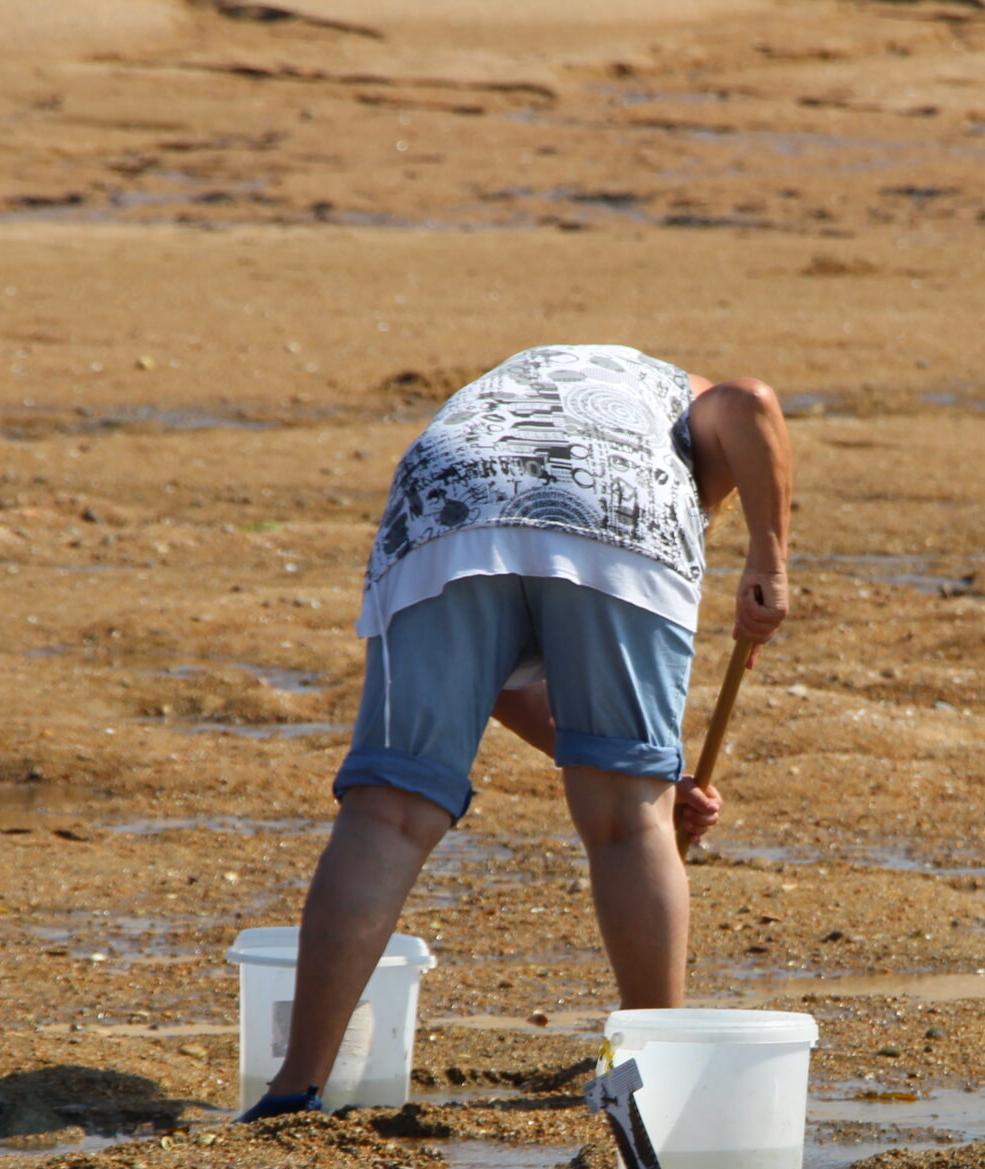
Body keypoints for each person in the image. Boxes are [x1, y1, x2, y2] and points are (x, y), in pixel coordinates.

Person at [238, 344, 791, 1121]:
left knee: (387, 812)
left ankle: (293, 1088)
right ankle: (655, 1081)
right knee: (626, 825)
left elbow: (494, 681)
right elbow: (751, 401)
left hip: (451, 491)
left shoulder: (545, 380)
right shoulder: (678, 407)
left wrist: (662, 786)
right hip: (616, 498)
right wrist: (769, 553)